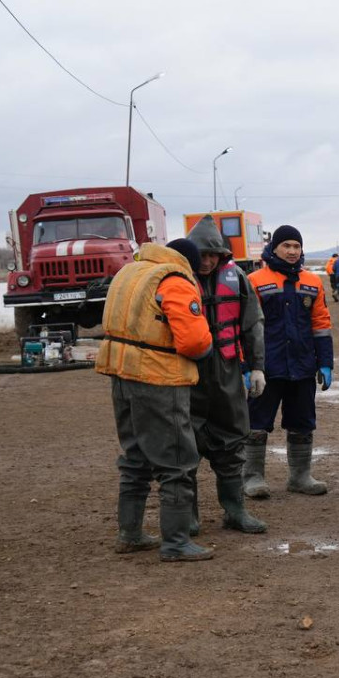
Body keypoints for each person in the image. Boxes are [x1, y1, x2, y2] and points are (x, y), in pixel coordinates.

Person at [95, 238, 215, 562]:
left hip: (122, 375)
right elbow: (192, 341)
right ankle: (176, 542)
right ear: (185, 260)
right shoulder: (174, 280)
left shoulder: (129, 273)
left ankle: (129, 534)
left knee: (135, 456)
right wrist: (208, 349)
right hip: (159, 378)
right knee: (177, 460)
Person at [185, 215, 268, 535]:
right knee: (184, 445)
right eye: (200, 255)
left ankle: (235, 511)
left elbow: (252, 325)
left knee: (233, 440)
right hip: (186, 374)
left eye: (212, 255)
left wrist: (257, 367)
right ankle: (187, 518)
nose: (206, 262)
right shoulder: (174, 280)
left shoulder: (238, 279)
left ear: (222, 255)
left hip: (228, 371)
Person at [245, 225, 334, 497]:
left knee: (302, 422)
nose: (292, 251)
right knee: (256, 423)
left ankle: (300, 477)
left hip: (302, 366)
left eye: (297, 246)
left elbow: (320, 324)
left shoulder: (312, 282)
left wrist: (325, 362)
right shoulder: (254, 280)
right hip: (266, 367)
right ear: (275, 248)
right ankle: (252, 478)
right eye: (287, 246)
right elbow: (245, 328)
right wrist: (247, 366)